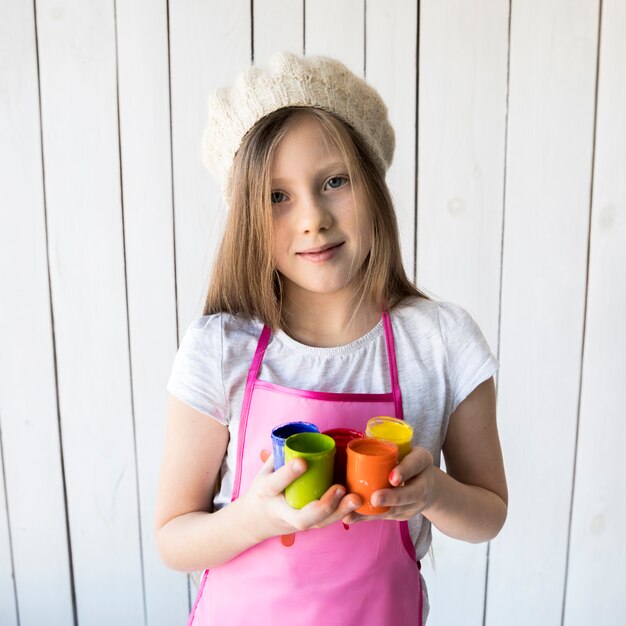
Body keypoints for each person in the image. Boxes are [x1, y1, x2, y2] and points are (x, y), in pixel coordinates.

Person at [155, 52, 508, 626]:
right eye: (277, 196)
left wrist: (433, 494)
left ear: (372, 185)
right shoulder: (221, 348)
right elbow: (174, 539)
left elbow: (488, 513)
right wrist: (259, 518)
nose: (312, 217)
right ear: (246, 215)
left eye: (334, 181)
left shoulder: (441, 343)